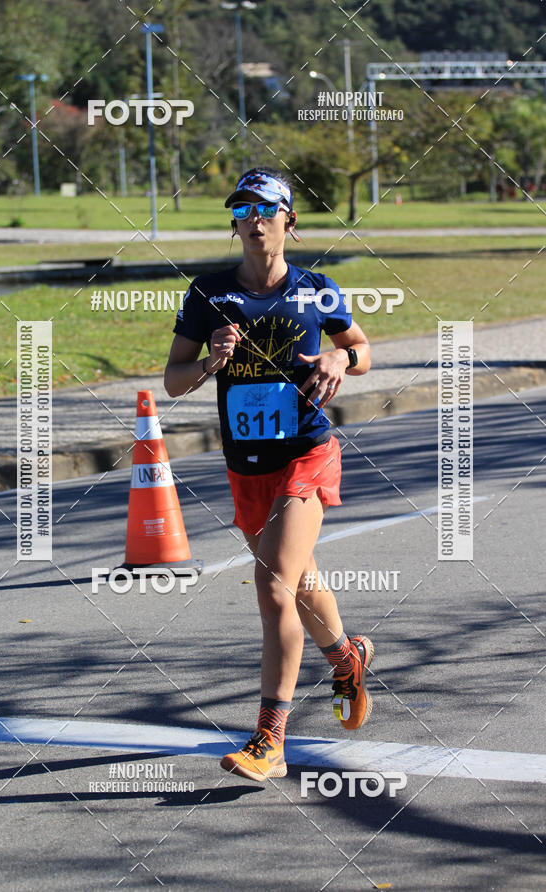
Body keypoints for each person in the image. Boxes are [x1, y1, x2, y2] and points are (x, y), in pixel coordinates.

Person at [164, 166, 373, 782]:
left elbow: (363, 350)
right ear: (234, 223)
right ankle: (347, 655)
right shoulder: (209, 293)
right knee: (296, 576)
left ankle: (269, 740)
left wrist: (341, 354)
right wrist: (208, 362)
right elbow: (173, 381)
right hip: (245, 464)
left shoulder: (316, 289)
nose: (253, 221)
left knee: (274, 588)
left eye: (265, 210)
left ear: (289, 221)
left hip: (306, 452)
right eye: (242, 211)